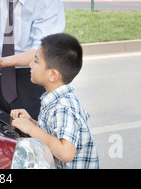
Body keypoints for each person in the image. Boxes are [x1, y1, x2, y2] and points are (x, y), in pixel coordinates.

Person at [11, 33, 99, 169]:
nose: (30, 65)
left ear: (52, 75)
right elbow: (53, 133)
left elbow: (66, 153)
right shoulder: (54, 99)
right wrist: (31, 122)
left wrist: (31, 129)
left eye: (36, 61)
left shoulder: (63, 107)